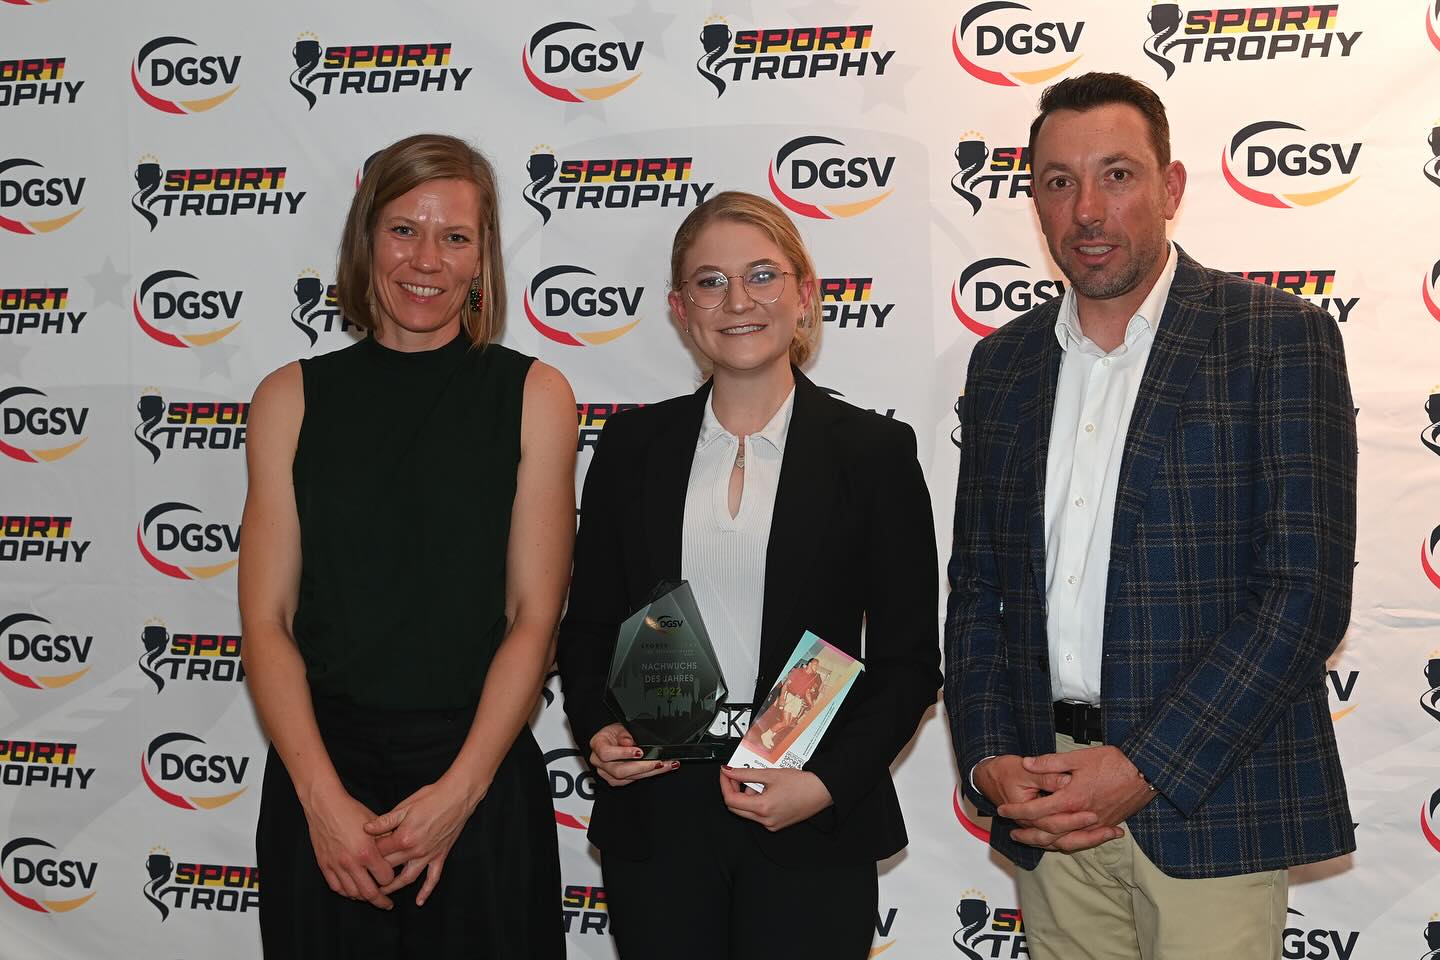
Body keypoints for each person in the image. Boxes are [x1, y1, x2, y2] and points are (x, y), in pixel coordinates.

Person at [944, 73, 1356, 959]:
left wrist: (1144, 769)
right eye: (1059, 182)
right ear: (1035, 201)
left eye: (1118, 175)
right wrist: (989, 757)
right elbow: (977, 589)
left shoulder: (1277, 338)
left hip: (1208, 793)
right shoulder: (1002, 366)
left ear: (1170, 187)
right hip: (1048, 799)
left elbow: (1303, 596)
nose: (1088, 209)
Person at [556, 191, 940, 960]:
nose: (738, 301)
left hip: (808, 809)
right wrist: (599, 727)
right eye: (711, 281)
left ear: (805, 294)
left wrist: (824, 784)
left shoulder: (874, 454)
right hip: (659, 809)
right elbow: (589, 627)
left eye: (762, 275)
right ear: (680, 308)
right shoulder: (629, 449)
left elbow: (908, 664)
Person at [238, 133, 574, 958]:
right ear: (366, 240)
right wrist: (322, 802)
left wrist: (459, 794)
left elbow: (534, 618)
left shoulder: (534, 394)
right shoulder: (289, 398)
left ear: (481, 258)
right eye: (402, 229)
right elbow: (266, 621)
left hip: (478, 781)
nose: (426, 259)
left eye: (454, 236)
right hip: (325, 790)